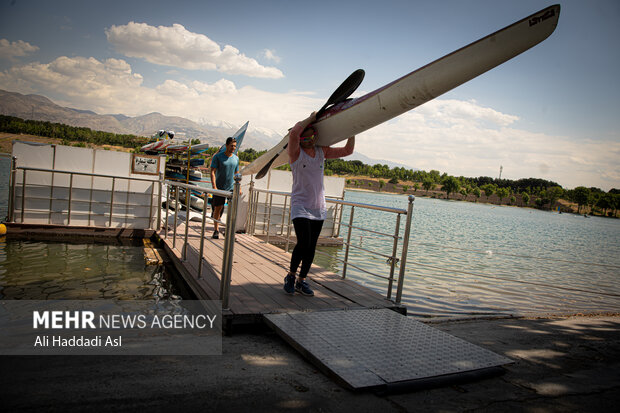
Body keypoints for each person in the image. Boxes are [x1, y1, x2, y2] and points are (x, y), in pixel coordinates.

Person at [284, 112, 355, 296]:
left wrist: (353, 130)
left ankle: (302, 280)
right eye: (306, 136)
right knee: (303, 243)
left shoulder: (322, 151)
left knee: (311, 247)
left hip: (318, 208)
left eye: (313, 135)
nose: (310, 139)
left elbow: (348, 151)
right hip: (300, 205)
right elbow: (293, 134)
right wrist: (311, 117)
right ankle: (291, 276)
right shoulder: (295, 152)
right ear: (301, 139)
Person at [210, 137, 239, 239]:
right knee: (218, 209)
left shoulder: (236, 159)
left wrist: (238, 188)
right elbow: (212, 171)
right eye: (231, 146)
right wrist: (214, 186)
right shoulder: (218, 157)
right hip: (219, 187)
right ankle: (216, 230)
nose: (233, 148)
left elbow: (236, 173)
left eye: (235, 146)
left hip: (231, 188)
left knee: (232, 211)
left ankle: (228, 231)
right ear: (226, 145)